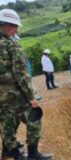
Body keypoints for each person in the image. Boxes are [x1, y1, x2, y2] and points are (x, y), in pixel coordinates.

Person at [0, 8, 51, 159]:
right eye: (15, 27)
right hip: (14, 94)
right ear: (9, 26)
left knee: (7, 121)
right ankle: (33, 153)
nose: (16, 30)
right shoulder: (12, 46)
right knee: (34, 117)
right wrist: (32, 98)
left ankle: (10, 151)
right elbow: (21, 74)